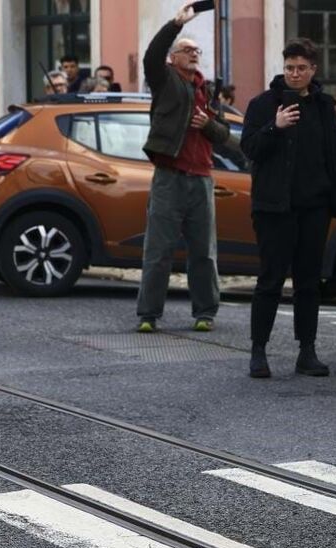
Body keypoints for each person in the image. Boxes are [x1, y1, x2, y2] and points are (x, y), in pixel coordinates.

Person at [241, 38, 336, 379]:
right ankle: (258, 352)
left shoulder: (323, 107)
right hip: (274, 208)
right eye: (289, 67)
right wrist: (274, 127)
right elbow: (250, 148)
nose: (294, 73)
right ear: (284, 67)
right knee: (270, 280)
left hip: (314, 208)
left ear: (313, 70)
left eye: (301, 68)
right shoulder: (263, 104)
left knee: (308, 282)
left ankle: (307, 351)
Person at [135, 2, 230, 333]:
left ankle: (205, 312)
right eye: (187, 50)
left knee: (204, 252)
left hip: (202, 179)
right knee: (158, 251)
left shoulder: (207, 91)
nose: (194, 54)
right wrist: (176, 24)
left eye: (197, 50)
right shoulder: (164, 81)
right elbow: (152, 54)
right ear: (173, 58)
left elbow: (224, 136)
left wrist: (207, 124)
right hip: (169, 177)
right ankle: (148, 315)